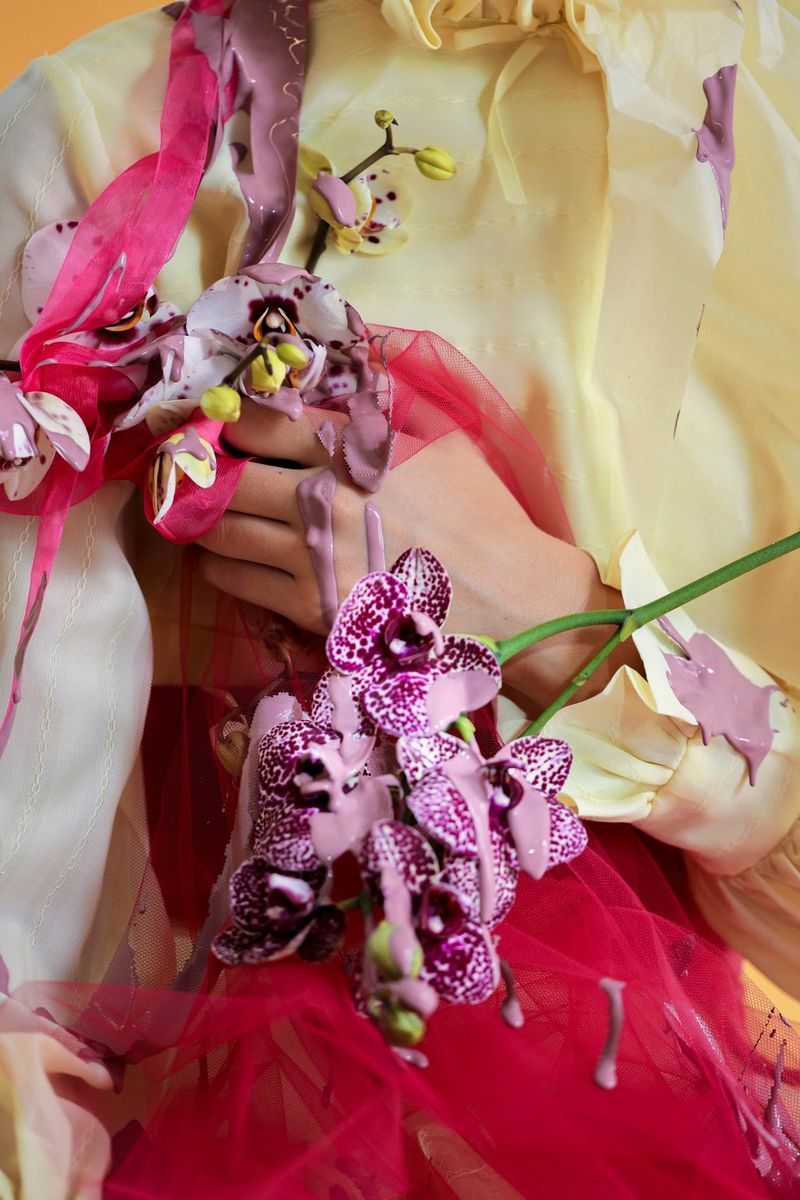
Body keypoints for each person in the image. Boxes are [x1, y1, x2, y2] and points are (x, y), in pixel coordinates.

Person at [0, 1, 798, 1196]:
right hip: (229, 1101)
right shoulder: (111, 125)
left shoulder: (772, 98)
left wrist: (556, 619)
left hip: (647, 1101)